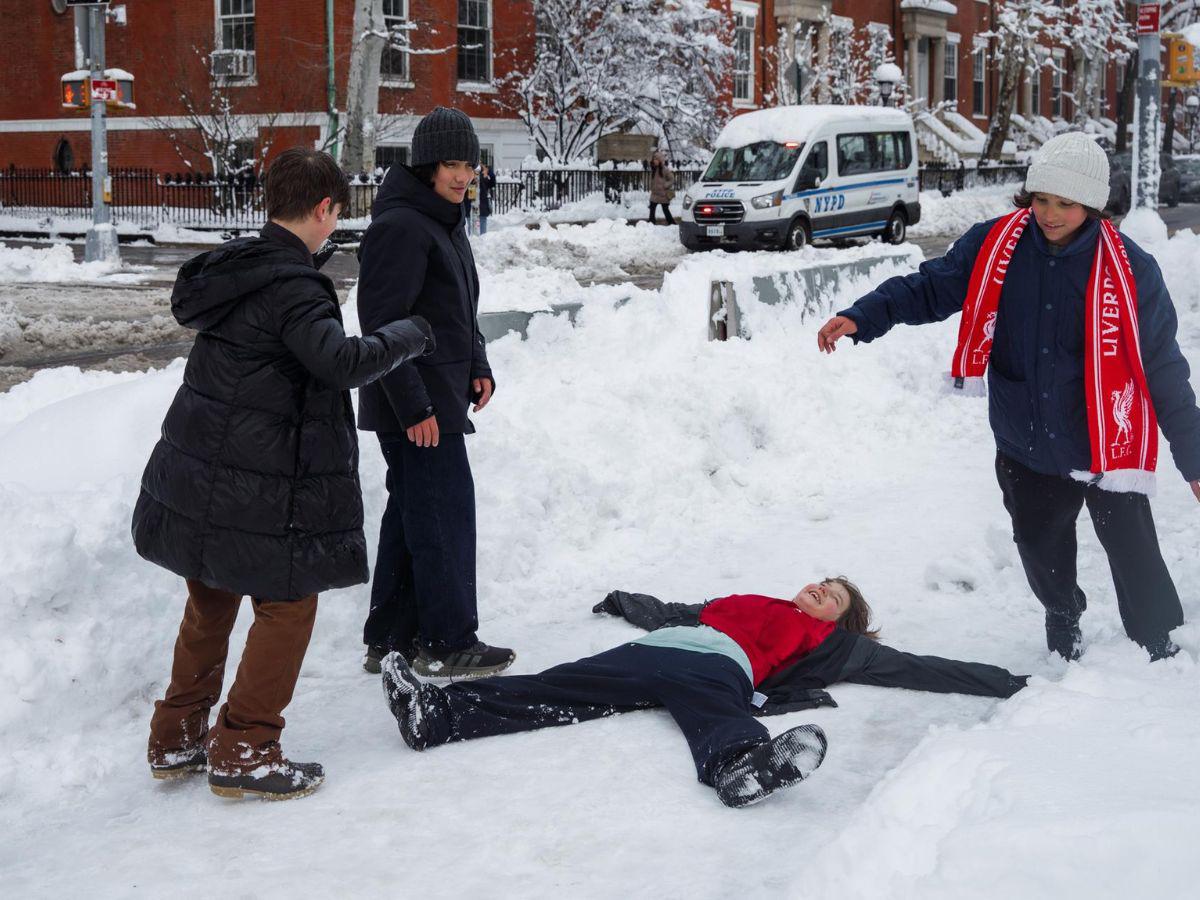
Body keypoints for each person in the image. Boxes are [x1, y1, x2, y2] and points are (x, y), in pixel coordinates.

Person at [816, 131, 1200, 662]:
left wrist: (1194, 458)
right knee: (1042, 552)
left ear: (1091, 204)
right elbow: (931, 287)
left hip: (1107, 442)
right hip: (1026, 439)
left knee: (1135, 553)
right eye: (1041, 199)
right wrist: (864, 315)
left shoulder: (1134, 271)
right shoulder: (995, 245)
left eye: (1065, 203)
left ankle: (1161, 644)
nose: (1049, 213)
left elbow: (1163, 370)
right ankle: (1063, 617)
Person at [132, 147, 435, 800]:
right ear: (324, 208)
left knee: (210, 601)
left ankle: (176, 737)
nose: (334, 229)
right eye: (335, 216)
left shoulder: (241, 269)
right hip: (258, 479)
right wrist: (409, 334)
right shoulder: (295, 287)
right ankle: (245, 746)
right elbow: (341, 363)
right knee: (288, 606)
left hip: (205, 470)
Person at [379, 578, 1026, 809]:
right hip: (653, 651)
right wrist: (626, 600)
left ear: (841, 621)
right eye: (822, 582)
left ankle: (742, 766)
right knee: (556, 687)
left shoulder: (830, 641)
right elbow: (676, 609)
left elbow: (916, 667)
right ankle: (434, 713)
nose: (822, 589)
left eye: (836, 597)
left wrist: (1006, 684)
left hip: (720, 668)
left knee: (715, 712)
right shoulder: (744, 598)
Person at [356, 107, 514, 680]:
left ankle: (390, 638)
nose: (463, 176)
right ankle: (447, 642)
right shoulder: (400, 226)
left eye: (470, 164)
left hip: (438, 394)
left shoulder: (443, 220)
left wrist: (478, 361)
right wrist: (415, 406)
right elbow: (382, 323)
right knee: (444, 514)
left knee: (412, 514)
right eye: (452, 164)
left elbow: (457, 310)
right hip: (414, 404)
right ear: (426, 164)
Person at [648, 151, 675, 225]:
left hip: (663, 194)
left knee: (665, 209)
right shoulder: (654, 169)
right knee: (652, 207)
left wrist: (665, 185)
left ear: (660, 160)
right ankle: (651, 223)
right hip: (655, 193)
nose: (654, 161)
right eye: (654, 159)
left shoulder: (665, 169)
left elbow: (672, 179)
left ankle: (672, 223)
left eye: (656, 159)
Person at [477, 162, 496, 234]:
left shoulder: (484, 177)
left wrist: (489, 171)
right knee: (471, 221)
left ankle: (482, 237)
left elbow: (492, 183)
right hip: (475, 202)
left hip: (483, 202)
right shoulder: (477, 176)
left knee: (483, 220)